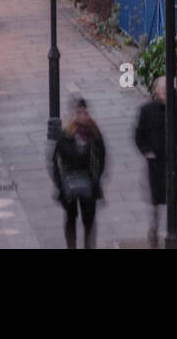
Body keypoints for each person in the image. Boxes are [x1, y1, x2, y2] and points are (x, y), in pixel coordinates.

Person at [134, 76, 177, 248]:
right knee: (156, 202)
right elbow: (139, 135)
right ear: (156, 91)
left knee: (174, 201)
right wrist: (147, 152)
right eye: (163, 90)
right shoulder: (147, 110)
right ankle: (154, 230)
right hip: (157, 165)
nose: (166, 93)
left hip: (176, 164)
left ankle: (173, 231)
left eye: (169, 90)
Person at [52, 98, 106, 249]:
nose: (82, 115)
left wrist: (96, 177)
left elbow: (102, 157)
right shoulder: (65, 135)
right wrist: (59, 181)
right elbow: (54, 160)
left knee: (89, 220)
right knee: (71, 219)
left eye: (85, 112)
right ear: (73, 115)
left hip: (89, 184)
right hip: (69, 184)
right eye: (79, 112)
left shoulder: (94, 133)